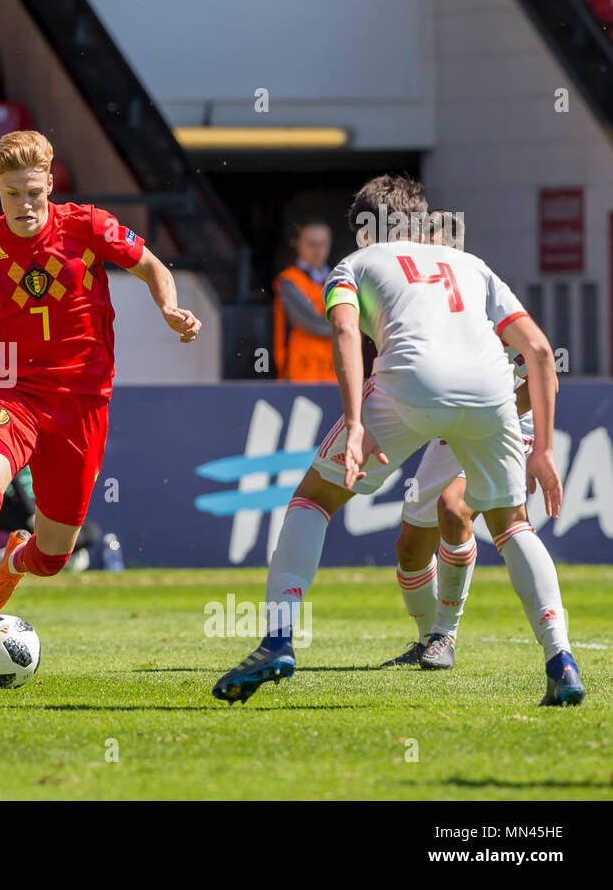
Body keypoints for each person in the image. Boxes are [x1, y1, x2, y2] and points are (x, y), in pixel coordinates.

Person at [213, 176, 584, 707]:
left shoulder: (355, 266)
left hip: (409, 383)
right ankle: (561, 659)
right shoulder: (472, 266)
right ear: (421, 219)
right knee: (511, 525)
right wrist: (543, 451)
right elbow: (542, 353)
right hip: (489, 390)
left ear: (364, 232)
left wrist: (355, 421)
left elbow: (344, 334)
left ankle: (277, 641)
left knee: (312, 500)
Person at [0, 130, 203, 672]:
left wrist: (169, 308)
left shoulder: (88, 225)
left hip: (82, 401)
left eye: (34, 192)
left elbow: (152, 266)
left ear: (50, 183)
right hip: (13, 390)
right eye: (12, 193)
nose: (25, 205)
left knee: (54, 556)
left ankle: (18, 559)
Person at [380, 209, 544, 671]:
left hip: (507, 422)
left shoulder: (484, 297)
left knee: (455, 508)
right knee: (410, 547)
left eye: (431, 245)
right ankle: (426, 637)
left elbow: (544, 379)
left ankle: (444, 637)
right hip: (455, 424)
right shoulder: (421, 307)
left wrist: (496, 419)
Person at [271, 220, 334, 381]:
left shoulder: (336, 279)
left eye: (323, 244)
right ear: (297, 244)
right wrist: (350, 327)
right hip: (298, 374)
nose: (318, 250)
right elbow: (311, 322)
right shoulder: (288, 281)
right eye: (311, 244)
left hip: (333, 374)